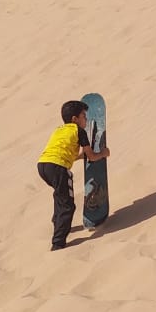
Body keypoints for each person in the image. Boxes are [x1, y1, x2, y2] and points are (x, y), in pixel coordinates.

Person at [37, 101, 109, 251]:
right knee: (68, 205)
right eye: (84, 116)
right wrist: (103, 153)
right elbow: (92, 157)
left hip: (43, 165)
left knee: (60, 195)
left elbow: (62, 153)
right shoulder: (79, 131)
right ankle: (58, 243)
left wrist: (79, 157)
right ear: (75, 119)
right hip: (58, 168)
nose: (86, 120)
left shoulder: (59, 130)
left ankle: (57, 221)